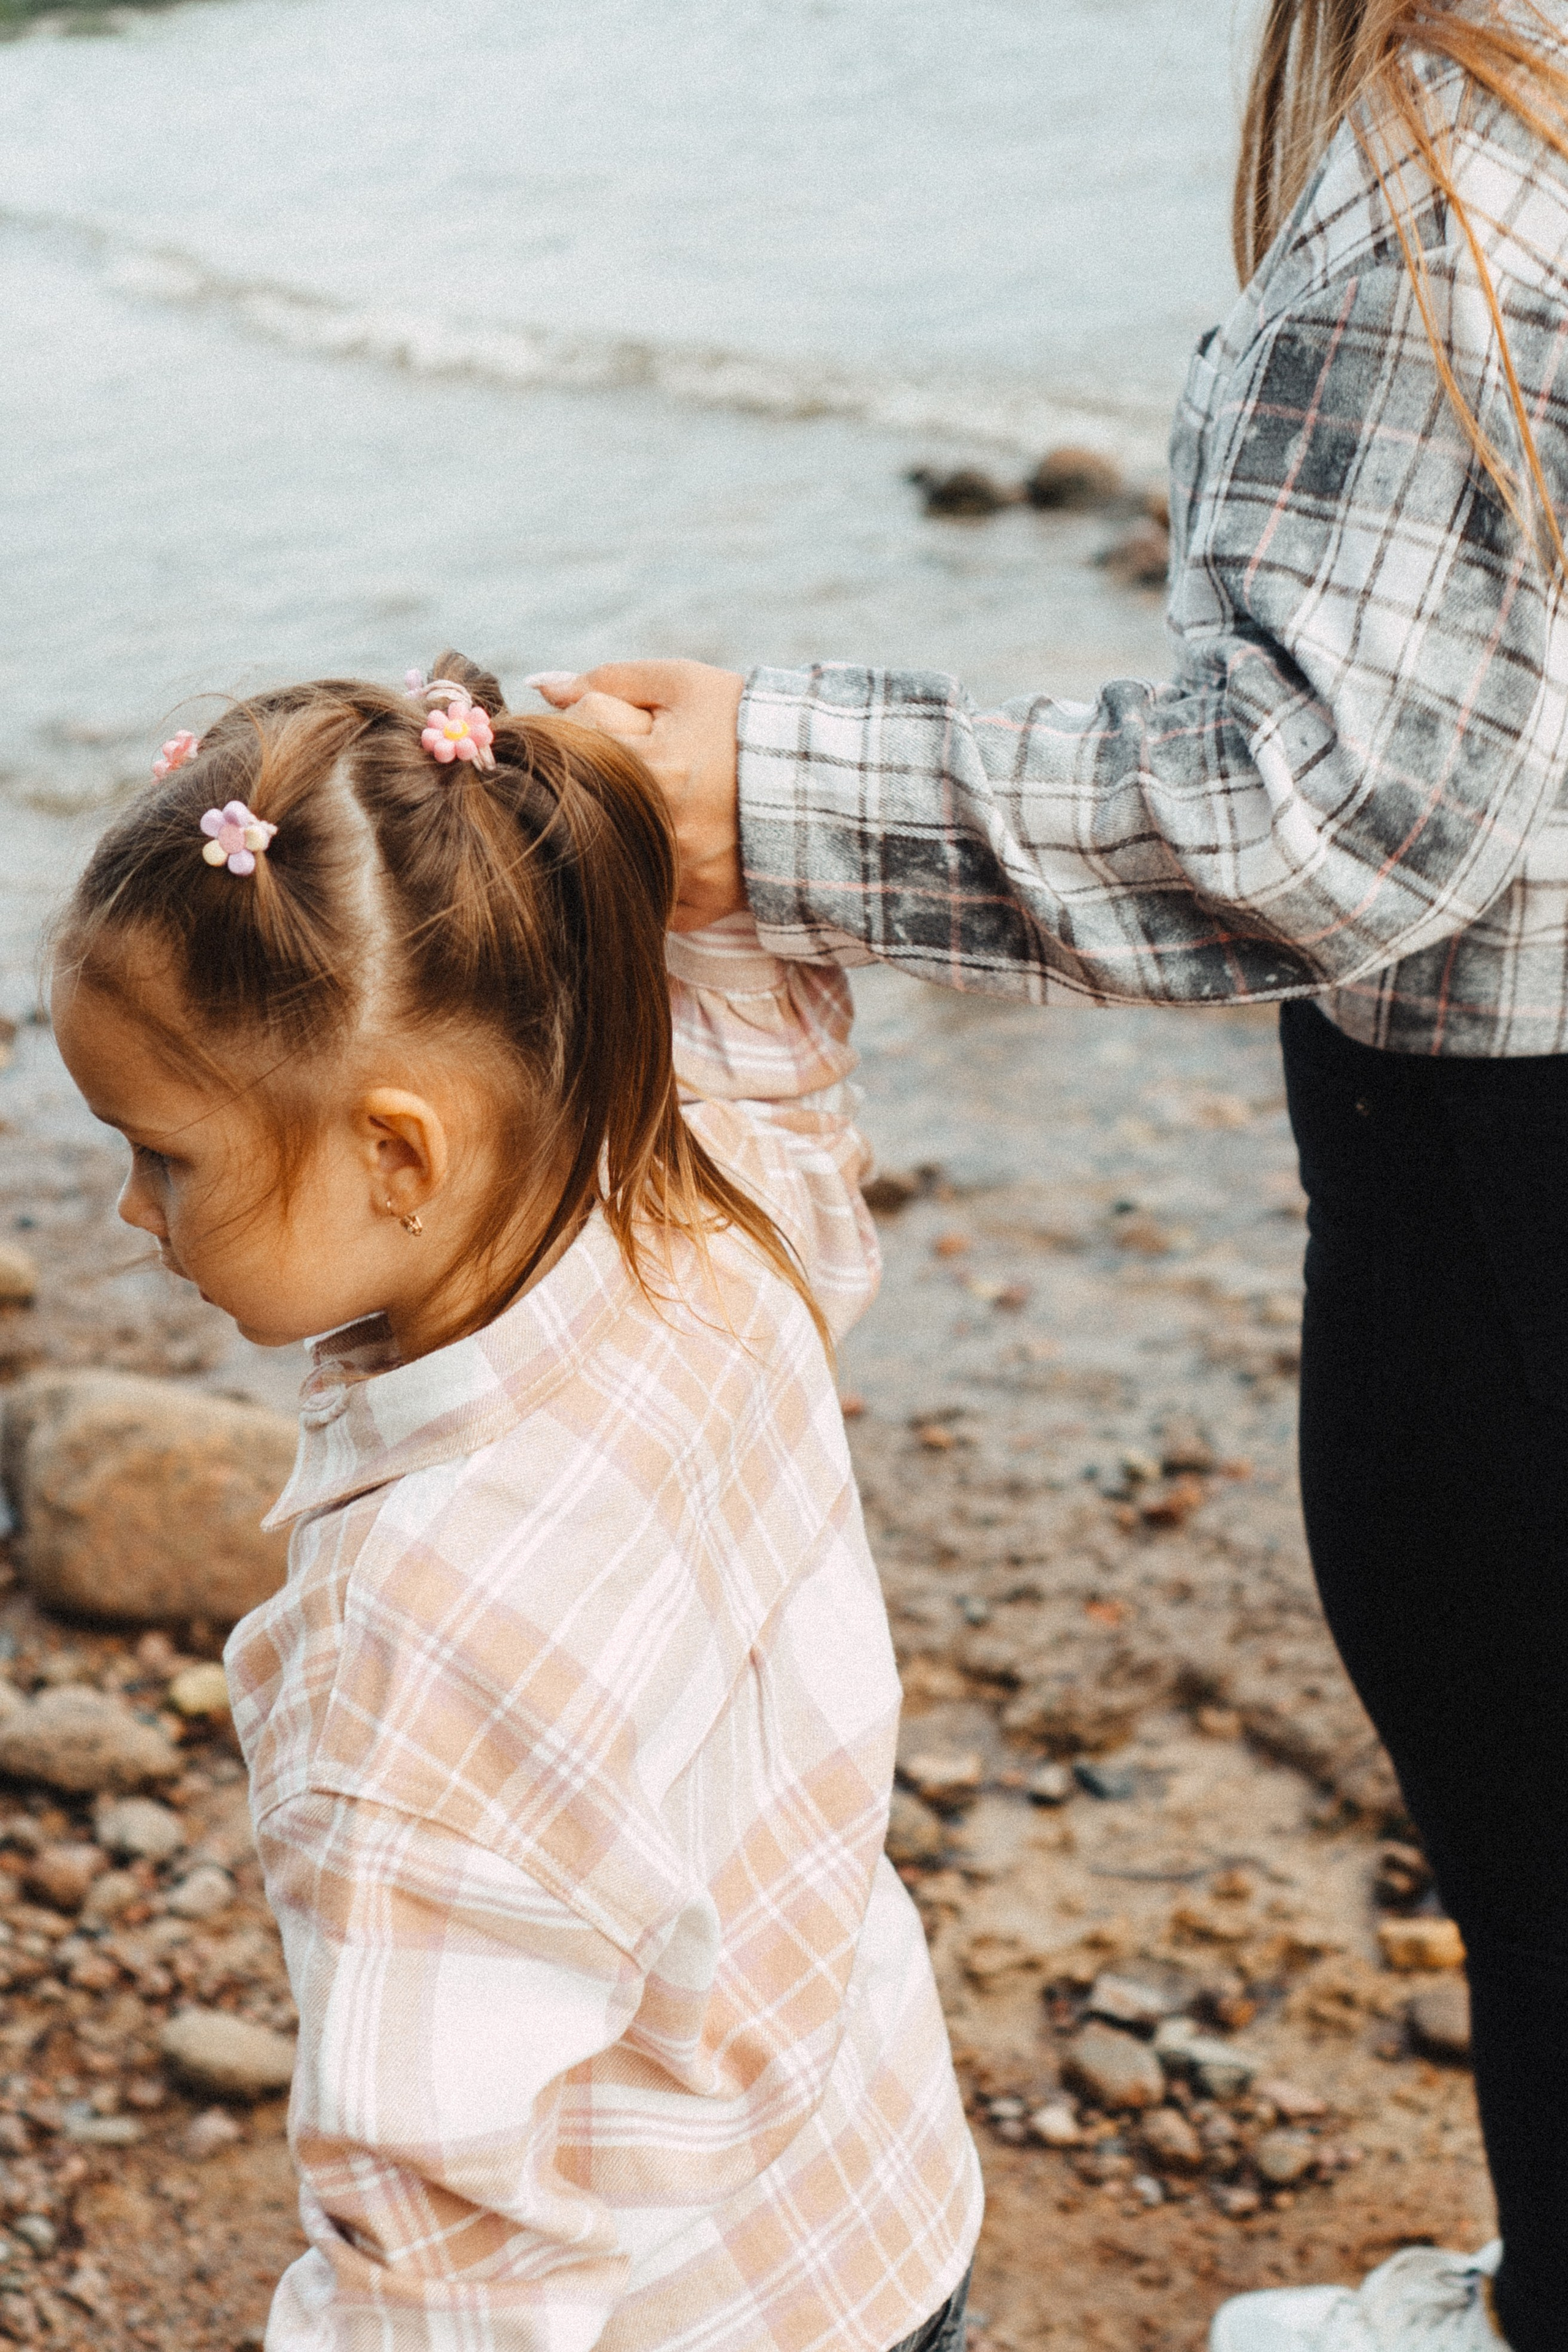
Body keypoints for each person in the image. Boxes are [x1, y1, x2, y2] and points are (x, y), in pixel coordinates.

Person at [529, 6, 1568, 2348]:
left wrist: (768, 806)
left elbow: (1321, 811)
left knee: (1528, 1772)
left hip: (1511, 1178)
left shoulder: (1466, 164)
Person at [48, 657, 982, 2352]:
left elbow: (442, 2240)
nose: (127, 1209)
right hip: (874, 2192)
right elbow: (764, 1051)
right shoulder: (705, 1216)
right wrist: (650, 850)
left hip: (688, 2315)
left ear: (401, 1158)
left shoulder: (420, 1631)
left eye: (163, 1155)